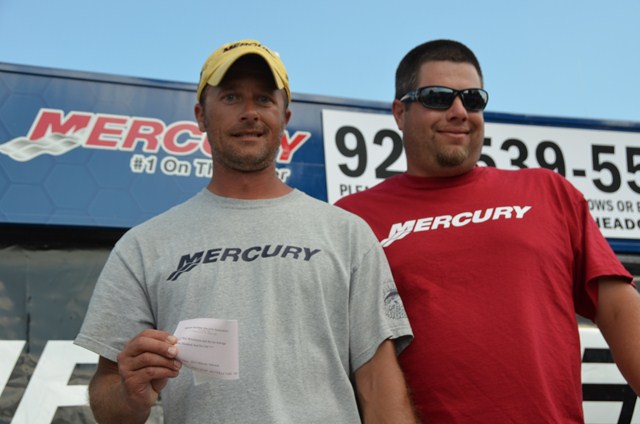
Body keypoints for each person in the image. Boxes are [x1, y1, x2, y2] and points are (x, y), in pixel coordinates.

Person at [75, 39, 417, 424]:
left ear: (285, 117)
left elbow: (379, 385)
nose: (250, 113)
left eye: (264, 99)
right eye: (232, 97)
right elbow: (107, 397)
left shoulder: (347, 234)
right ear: (201, 116)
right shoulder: (143, 246)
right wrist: (130, 393)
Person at [335, 39, 640, 422]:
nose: (459, 112)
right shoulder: (350, 219)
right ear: (400, 112)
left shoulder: (548, 192)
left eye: (473, 99)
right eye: (437, 97)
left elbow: (618, 310)